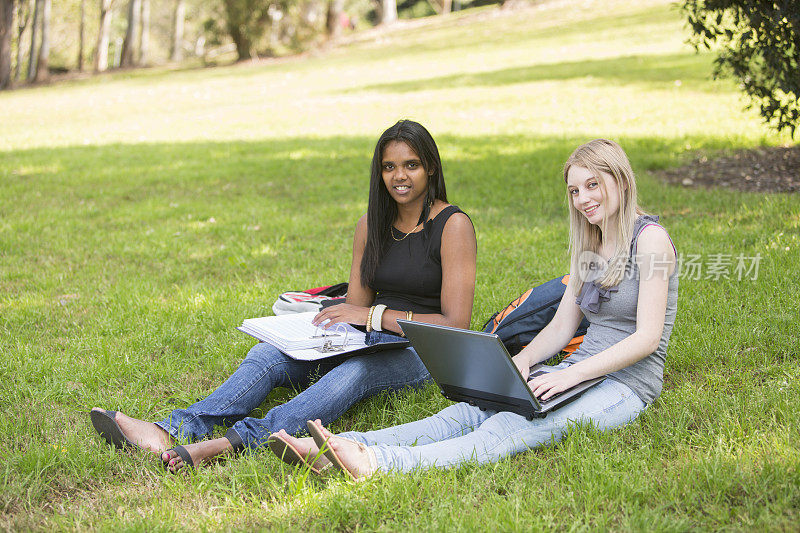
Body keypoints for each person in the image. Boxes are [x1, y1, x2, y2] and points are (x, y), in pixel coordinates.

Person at [269, 138, 678, 479]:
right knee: (466, 413)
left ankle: (375, 462)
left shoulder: (651, 240)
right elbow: (562, 326)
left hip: (625, 386)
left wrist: (570, 375)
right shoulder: (590, 243)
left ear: (620, 180)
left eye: (592, 185)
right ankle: (338, 445)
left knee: (508, 428)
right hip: (575, 374)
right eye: (574, 191)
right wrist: (523, 360)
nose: (582, 199)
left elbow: (647, 338)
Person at [90, 120, 477, 472]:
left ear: (430, 168)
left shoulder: (452, 226)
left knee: (353, 374)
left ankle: (234, 442)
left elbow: (455, 325)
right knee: (267, 354)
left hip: (422, 352)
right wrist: (333, 325)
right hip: (366, 338)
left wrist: (373, 318)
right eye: (389, 166)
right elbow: (355, 306)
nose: (399, 176)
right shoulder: (370, 224)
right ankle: (173, 430)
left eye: (411, 165)